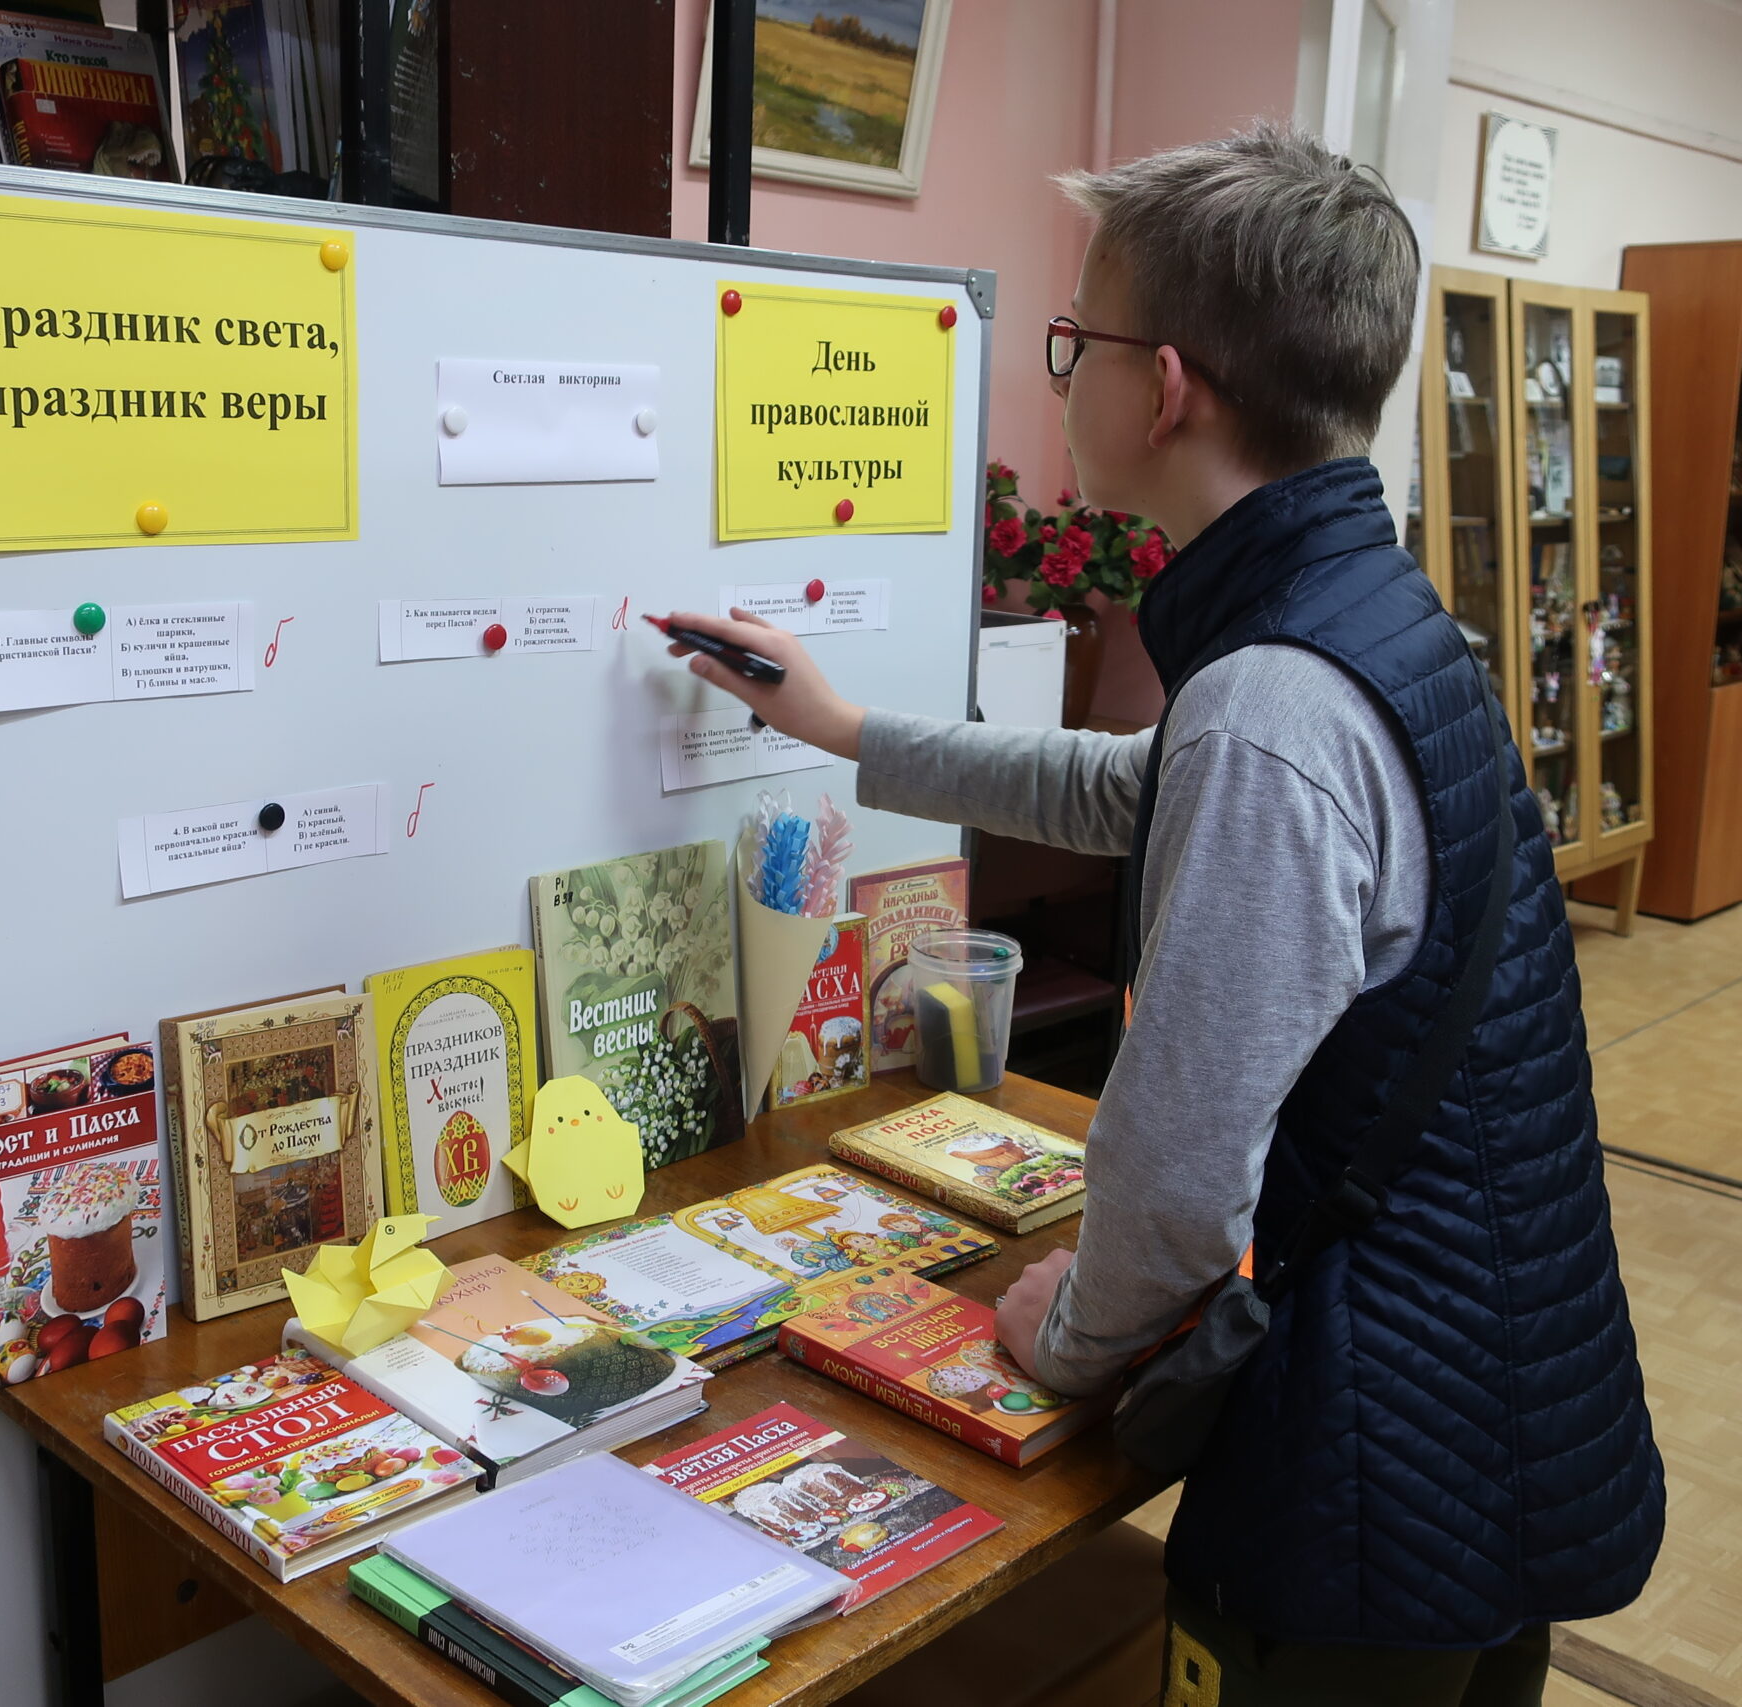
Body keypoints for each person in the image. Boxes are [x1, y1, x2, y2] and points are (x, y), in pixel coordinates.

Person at [665, 123, 1661, 1704]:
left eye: (1075, 339)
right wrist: (849, 730)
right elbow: (1140, 785)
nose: (1061, 375)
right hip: (1495, 1396)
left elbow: (1185, 1170)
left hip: (1372, 1466)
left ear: (1166, 387)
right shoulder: (1365, 618)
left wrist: (1066, 1333)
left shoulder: (1273, 701)